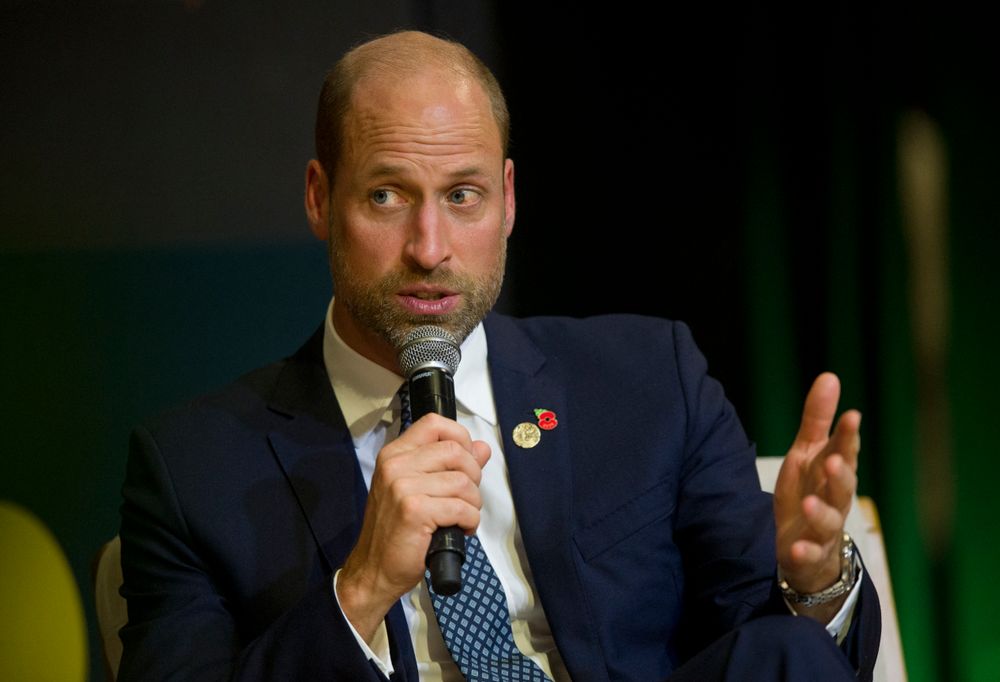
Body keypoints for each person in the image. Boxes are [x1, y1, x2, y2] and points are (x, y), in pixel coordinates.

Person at [118, 30, 880, 681]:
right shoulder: (197, 468)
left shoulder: (648, 378)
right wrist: (363, 587)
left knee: (789, 651)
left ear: (508, 200)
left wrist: (816, 582)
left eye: (462, 196)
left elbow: (757, 626)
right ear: (320, 198)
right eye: (386, 195)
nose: (429, 248)